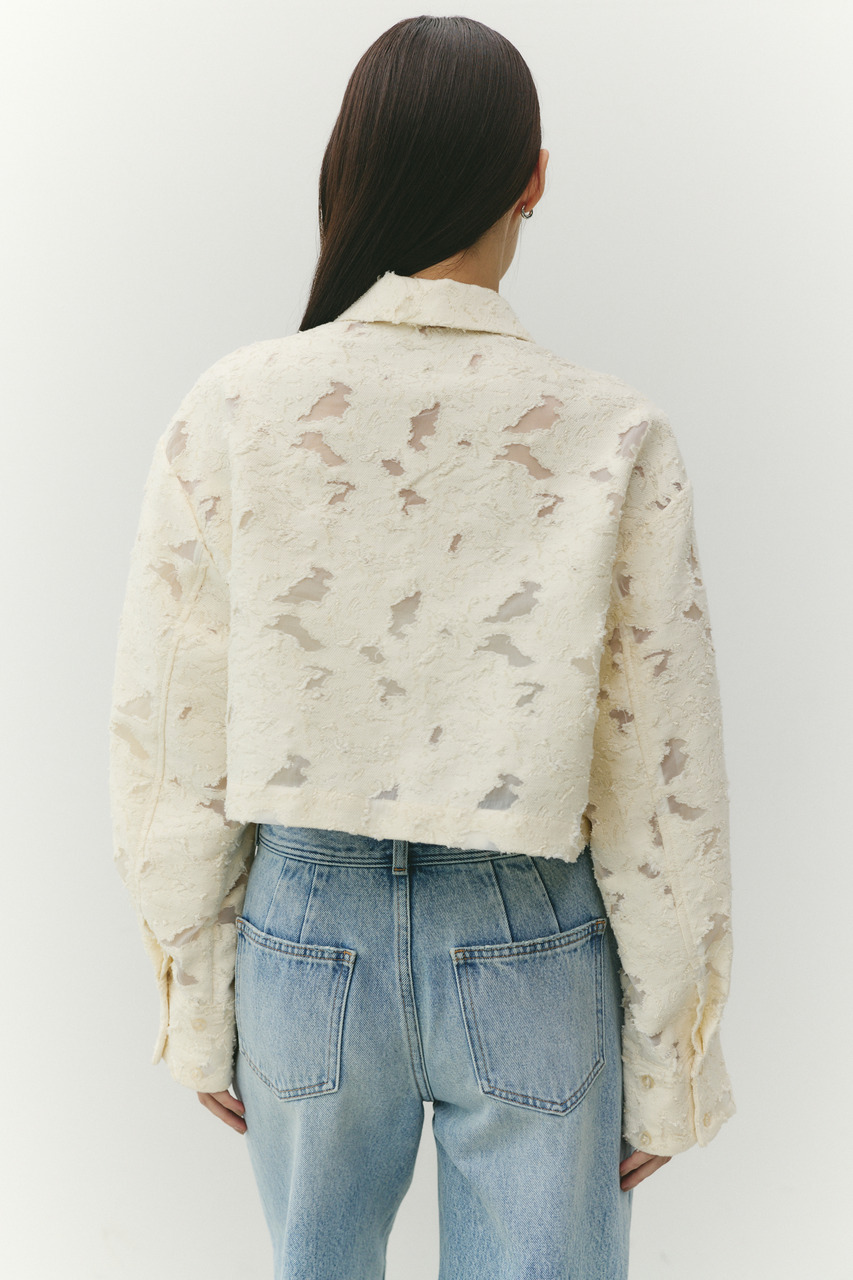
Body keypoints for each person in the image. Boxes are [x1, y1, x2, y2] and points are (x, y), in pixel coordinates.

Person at [108, 14, 735, 1279]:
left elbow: (169, 727)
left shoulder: (235, 406)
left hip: (304, 936)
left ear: (351, 170)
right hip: (529, 939)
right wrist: (671, 1056)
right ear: (534, 178)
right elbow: (659, 770)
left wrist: (198, 987)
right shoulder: (613, 433)